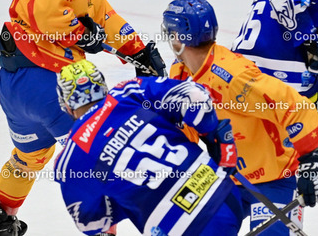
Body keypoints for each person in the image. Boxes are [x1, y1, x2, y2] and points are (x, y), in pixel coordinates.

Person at [0, 0, 165, 236]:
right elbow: (49, 16)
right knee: (97, 158)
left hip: (15, 85)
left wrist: (137, 49)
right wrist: (83, 35)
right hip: (49, 82)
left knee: (30, 156)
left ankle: (2, 221)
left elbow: (102, 15)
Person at [163, 0, 318, 235]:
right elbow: (183, 129)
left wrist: (311, 158)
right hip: (225, 176)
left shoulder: (233, 76)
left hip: (274, 177)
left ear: (178, 38)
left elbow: (295, 105)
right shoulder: (181, 73)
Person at [54, 59, 241, 235]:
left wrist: (125, 197)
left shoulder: (71, 156)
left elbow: (89, 222)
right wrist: (211, 135)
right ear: (102, 87)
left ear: (66, 105)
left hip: (178, 228)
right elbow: (196, 96)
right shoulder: (127, 92)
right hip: (223, 195)